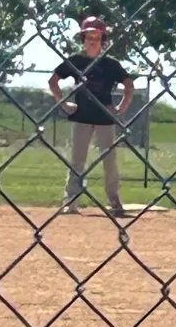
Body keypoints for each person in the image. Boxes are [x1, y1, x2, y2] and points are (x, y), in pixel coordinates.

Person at [49, 16, 134, 217]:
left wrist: (122, 106)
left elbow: (128, 85)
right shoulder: (76, 61)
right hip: (81, 116)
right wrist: (63, 102)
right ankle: (70, 202)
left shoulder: (110, 64)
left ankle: (114, 201)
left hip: (105, 117)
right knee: (77, 161)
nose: (92, 39)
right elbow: (53, 81)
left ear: (103, 38)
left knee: (109, 161)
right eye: (88, 35)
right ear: (83, 38)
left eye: (96, 35)